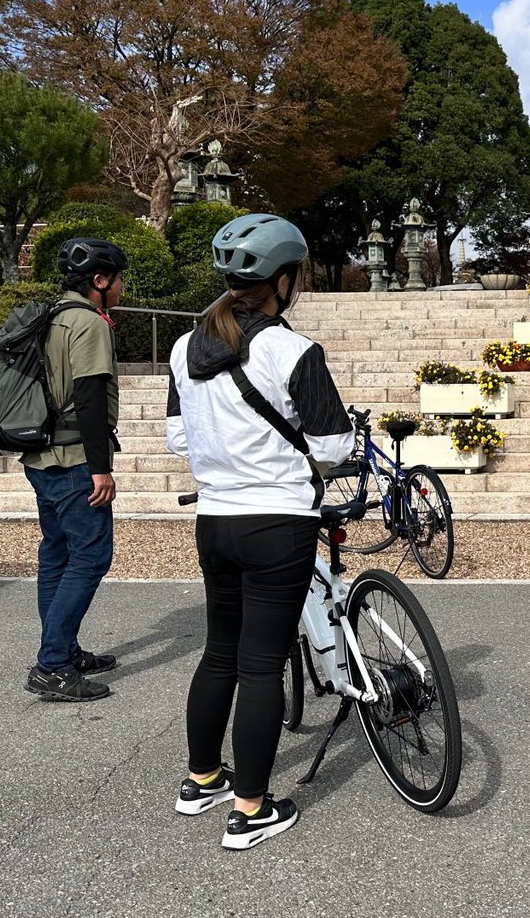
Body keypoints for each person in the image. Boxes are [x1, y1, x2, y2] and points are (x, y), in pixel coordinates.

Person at [165, 213, 353, 851]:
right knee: (262, 665)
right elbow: (332, 445)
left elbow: (178, 438)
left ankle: (202, 780)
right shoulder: (291, 350)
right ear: (284, 280)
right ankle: (250, 808)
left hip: (215, 520)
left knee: (220, 652)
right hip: (277, 521)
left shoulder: (185, 348)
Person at [22, 238, 128, 703]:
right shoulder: (89, 323)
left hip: (41, 457)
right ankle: (53, 665)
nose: (122, 288)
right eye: (119, 279)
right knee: (90, 558)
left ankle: (63, 650)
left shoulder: (50, 316)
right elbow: (89, 399)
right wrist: (100, 468)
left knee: (57, 556)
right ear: (99, 281)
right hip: (74, 461)